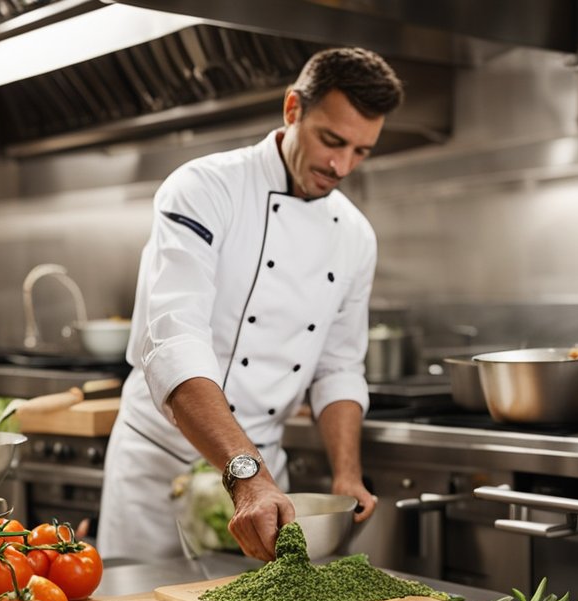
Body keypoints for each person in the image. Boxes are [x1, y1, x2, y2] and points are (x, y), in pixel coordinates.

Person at [98, 47, 403, 562]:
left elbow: (337, 367)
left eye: (361, 151)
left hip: (265, 482)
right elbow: (175, 342)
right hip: (160, 469)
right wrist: (246, 475)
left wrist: (346, 472)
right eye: (332, 140)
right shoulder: (203, 189)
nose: (341, 165)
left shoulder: (355, 236)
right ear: (292, 111)